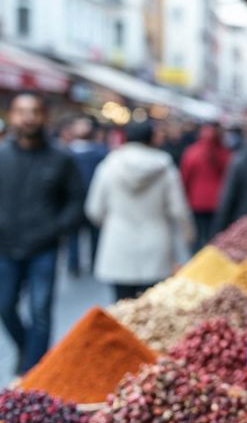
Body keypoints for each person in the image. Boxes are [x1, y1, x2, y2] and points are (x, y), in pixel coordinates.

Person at [0, 93, 84, 374]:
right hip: (7, 245)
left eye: (34, 111)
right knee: (3, 307)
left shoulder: (61, 156)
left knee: (40, 312)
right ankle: (28, 352)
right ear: (12, 116)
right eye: (21, 111)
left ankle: (33, 371)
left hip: (44, 247)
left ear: (44, 116)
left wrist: (59, 228)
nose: (28, 117)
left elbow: (76, 199)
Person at [86, 120, 191, 301]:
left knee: (122, 307)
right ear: (151, 139)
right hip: (157, 242)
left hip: (118, 242)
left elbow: (94, 209)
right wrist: (188, 238)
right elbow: (179, 210)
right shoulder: (165, 167)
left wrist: (111, 222)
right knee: (150, 310)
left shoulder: (109, 165)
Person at [64, 116, 107, 277]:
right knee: (74, 236)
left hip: (93, 198)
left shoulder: (100, 151)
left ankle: (94, 262)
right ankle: (74, 264)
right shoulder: (66, 152)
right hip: (74, 200)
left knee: (94, 234)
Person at [179, 122, 232, 249]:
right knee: (214, 238)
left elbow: (185, 178)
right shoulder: (225, 154)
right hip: (218, 202)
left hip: (196, 202)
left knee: (197, 237)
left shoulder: (192, 152)